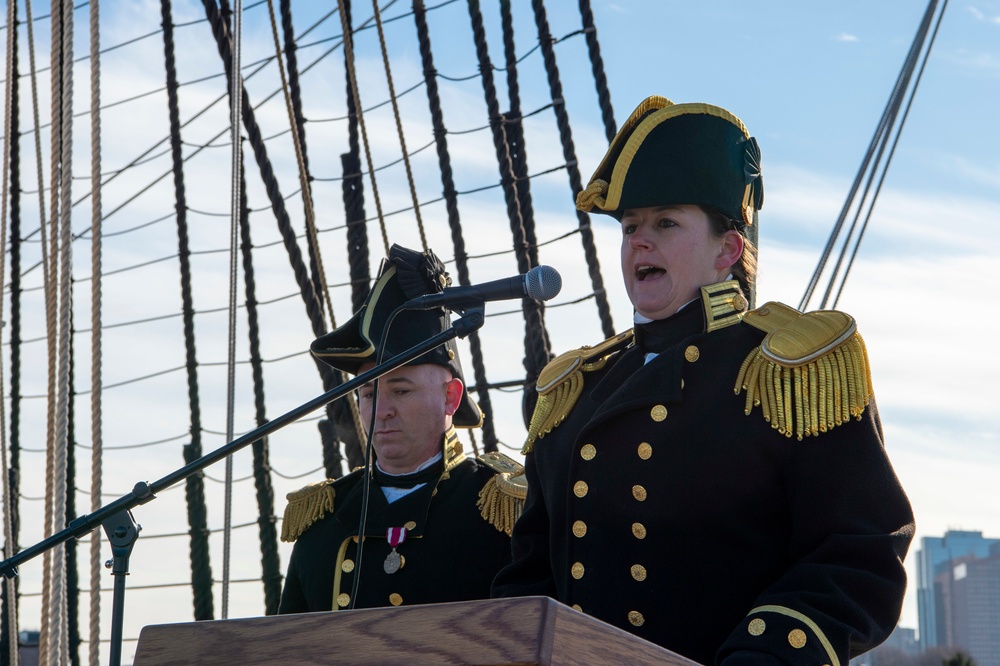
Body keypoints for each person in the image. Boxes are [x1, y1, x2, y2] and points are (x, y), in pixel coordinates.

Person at [491, 96, 915, 665]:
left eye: (666, 222)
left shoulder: (789, 371)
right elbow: (530, 576)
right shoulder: (574, 390)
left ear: (728, 249)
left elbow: (857, 556)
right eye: (631, 226)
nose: (640, 240)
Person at [278, 244, 524, 614]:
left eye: (401, 390)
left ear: (450, 398)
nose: (381, 411)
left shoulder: (502, 509)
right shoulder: (321, 521)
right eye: (366, 394)